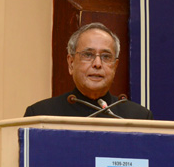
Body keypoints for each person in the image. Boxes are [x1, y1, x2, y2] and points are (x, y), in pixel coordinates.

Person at [24, 22, 153, 119]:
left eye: (106, 57)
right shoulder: (42, 115)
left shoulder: (137, 117)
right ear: (71, 63)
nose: (97, 64)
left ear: (115, 66)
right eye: (88, 55)